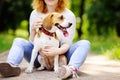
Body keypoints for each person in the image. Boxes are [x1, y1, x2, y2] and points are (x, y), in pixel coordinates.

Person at [0, 0, 90, 79]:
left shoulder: (68, 15)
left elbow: (67, 43)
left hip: (62, 57)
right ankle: (10, 66)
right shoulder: (35, 13)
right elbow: (32, 42)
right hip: (40, 58)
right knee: (18, 41)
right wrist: (32, 29)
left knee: (85, 43)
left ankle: (70, 69)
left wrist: (57, 51)